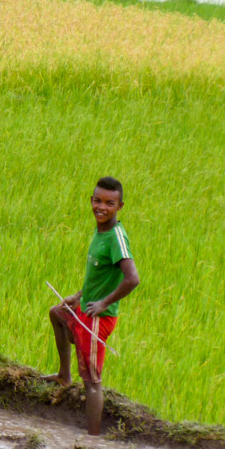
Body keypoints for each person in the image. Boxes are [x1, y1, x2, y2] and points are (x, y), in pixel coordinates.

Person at [42, 176, 139, 435]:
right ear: (91, 201)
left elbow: (132, 279)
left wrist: (104, 303)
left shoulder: (117, 237)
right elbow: (101, 276)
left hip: (98, 318)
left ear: (120, 206)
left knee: (92, 381)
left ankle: (93, 438)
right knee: (57, 313)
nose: (102, 207)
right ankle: (64, 376)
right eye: (97, 201)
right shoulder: (101, 230)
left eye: (110, 203)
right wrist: (78, 296)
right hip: (86, 307)